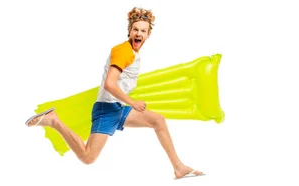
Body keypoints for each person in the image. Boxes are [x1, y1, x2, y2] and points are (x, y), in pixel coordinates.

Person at [24, 7, 205, 180]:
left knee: (158, 120)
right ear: (129, 31)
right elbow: (110, 84)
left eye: (143, 31)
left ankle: (178, 167)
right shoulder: (123, 51)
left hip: (116, 108)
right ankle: (54, 120)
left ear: (149, 34)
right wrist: (133, 103)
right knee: (88, 157)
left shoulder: (132, 52)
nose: (139, 34)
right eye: (135, 29)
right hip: (107, 109)